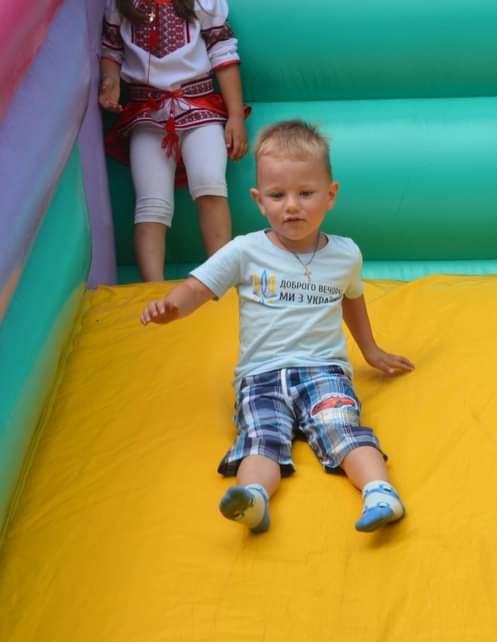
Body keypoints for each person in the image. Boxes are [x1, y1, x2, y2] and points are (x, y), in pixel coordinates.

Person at [140, 120, 415, 534]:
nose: (292, 206)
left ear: (330, 195)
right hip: (260, 376)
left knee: (342, 429)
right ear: (259, 200)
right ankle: (253, 498)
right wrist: (171, 307)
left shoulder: (345, 254)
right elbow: (198, 288)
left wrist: (371, 351)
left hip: (324, 371)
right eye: (277, 195)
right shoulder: (245, 250)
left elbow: (352, 298)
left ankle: (380, 491)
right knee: (259, 439)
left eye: (306, 194)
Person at [99, 0, 249, 281]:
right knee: (151, 203)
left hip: (198, 104)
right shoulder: (120, 5)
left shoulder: (204, 2)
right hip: (147, 111)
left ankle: (219, 278)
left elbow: (223, 52)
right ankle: (152, 289)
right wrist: (111, 83)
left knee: (210, 184)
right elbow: (111, 49)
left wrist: (236, 116)